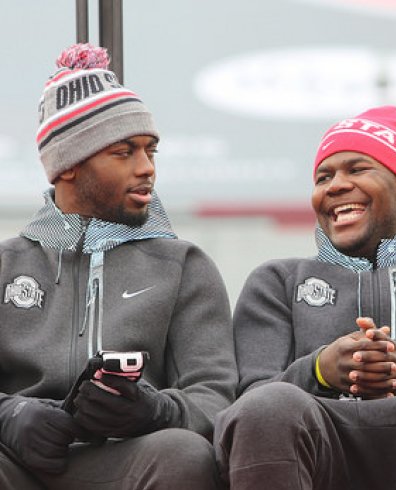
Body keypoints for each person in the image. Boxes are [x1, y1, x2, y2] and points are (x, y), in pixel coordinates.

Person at [214, 105, 396, 489]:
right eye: (324, 177)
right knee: (267, 408)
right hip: (319, 454)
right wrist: (320, 369)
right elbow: (248, 400)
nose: (335, 185)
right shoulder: (277, 280)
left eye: (357, 169)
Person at [0, 44, 236, 489]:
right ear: (67, 166)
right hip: (16, 462)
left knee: (184, 452)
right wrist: (10, 414)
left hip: (130, 461)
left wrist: (158, 410)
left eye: (151, 151)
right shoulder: (6, 263)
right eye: (124, 152)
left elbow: (218, 396)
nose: (146, 168)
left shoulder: (184, 265)